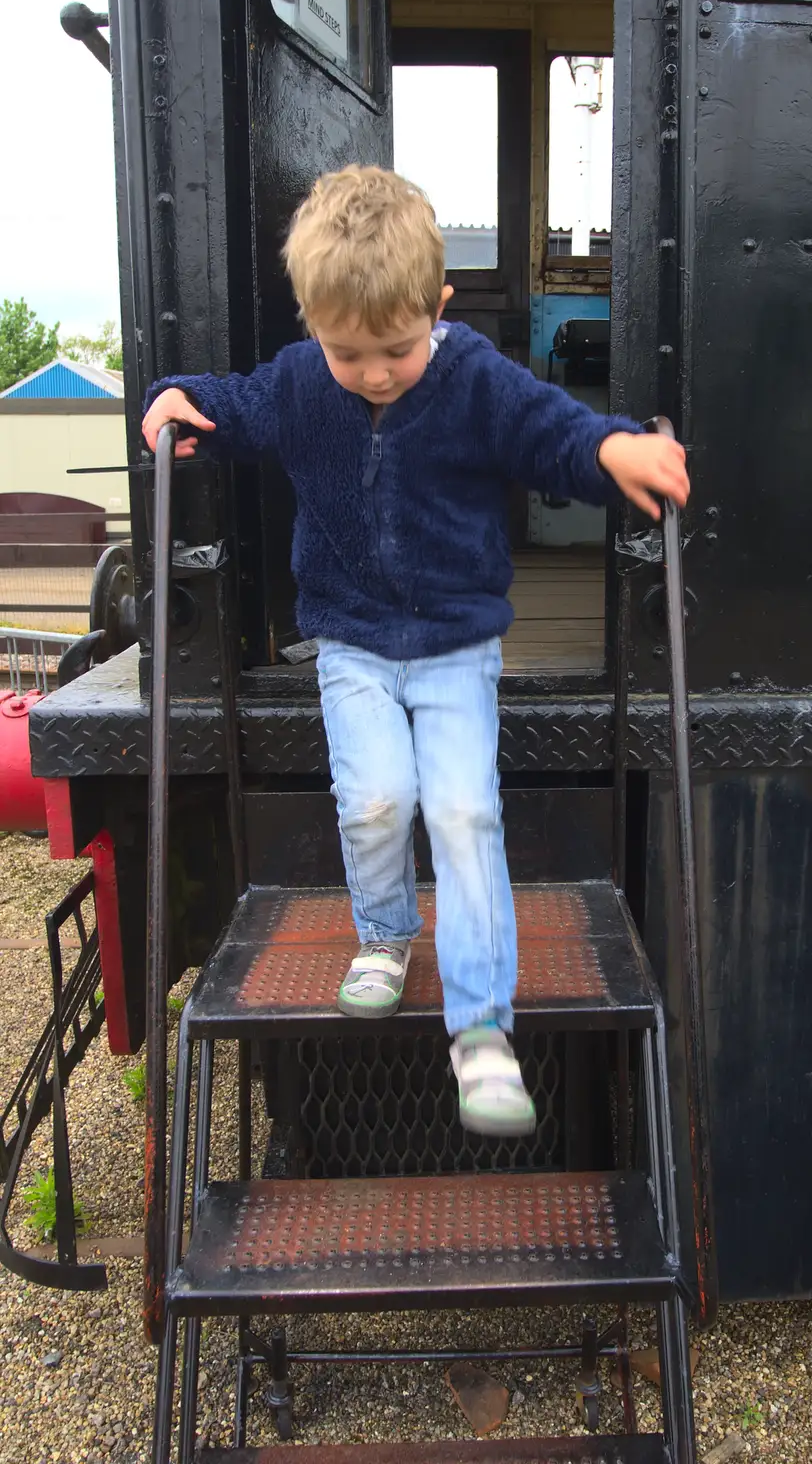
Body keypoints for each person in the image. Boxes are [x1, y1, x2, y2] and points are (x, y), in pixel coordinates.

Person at [142, 165, 689, 1138]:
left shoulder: (472, 375)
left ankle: (480, 1025)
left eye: (397, 348)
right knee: (378, 796)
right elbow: (238, 404)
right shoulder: (307, 380)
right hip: (350, 640)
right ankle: (388, 936)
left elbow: (550, 431)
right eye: (348, 352)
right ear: (313, 320)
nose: (377, 372)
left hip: (454, 643)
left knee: (468, 810)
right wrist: (178, 397)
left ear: (436, 309)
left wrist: (612, 451)